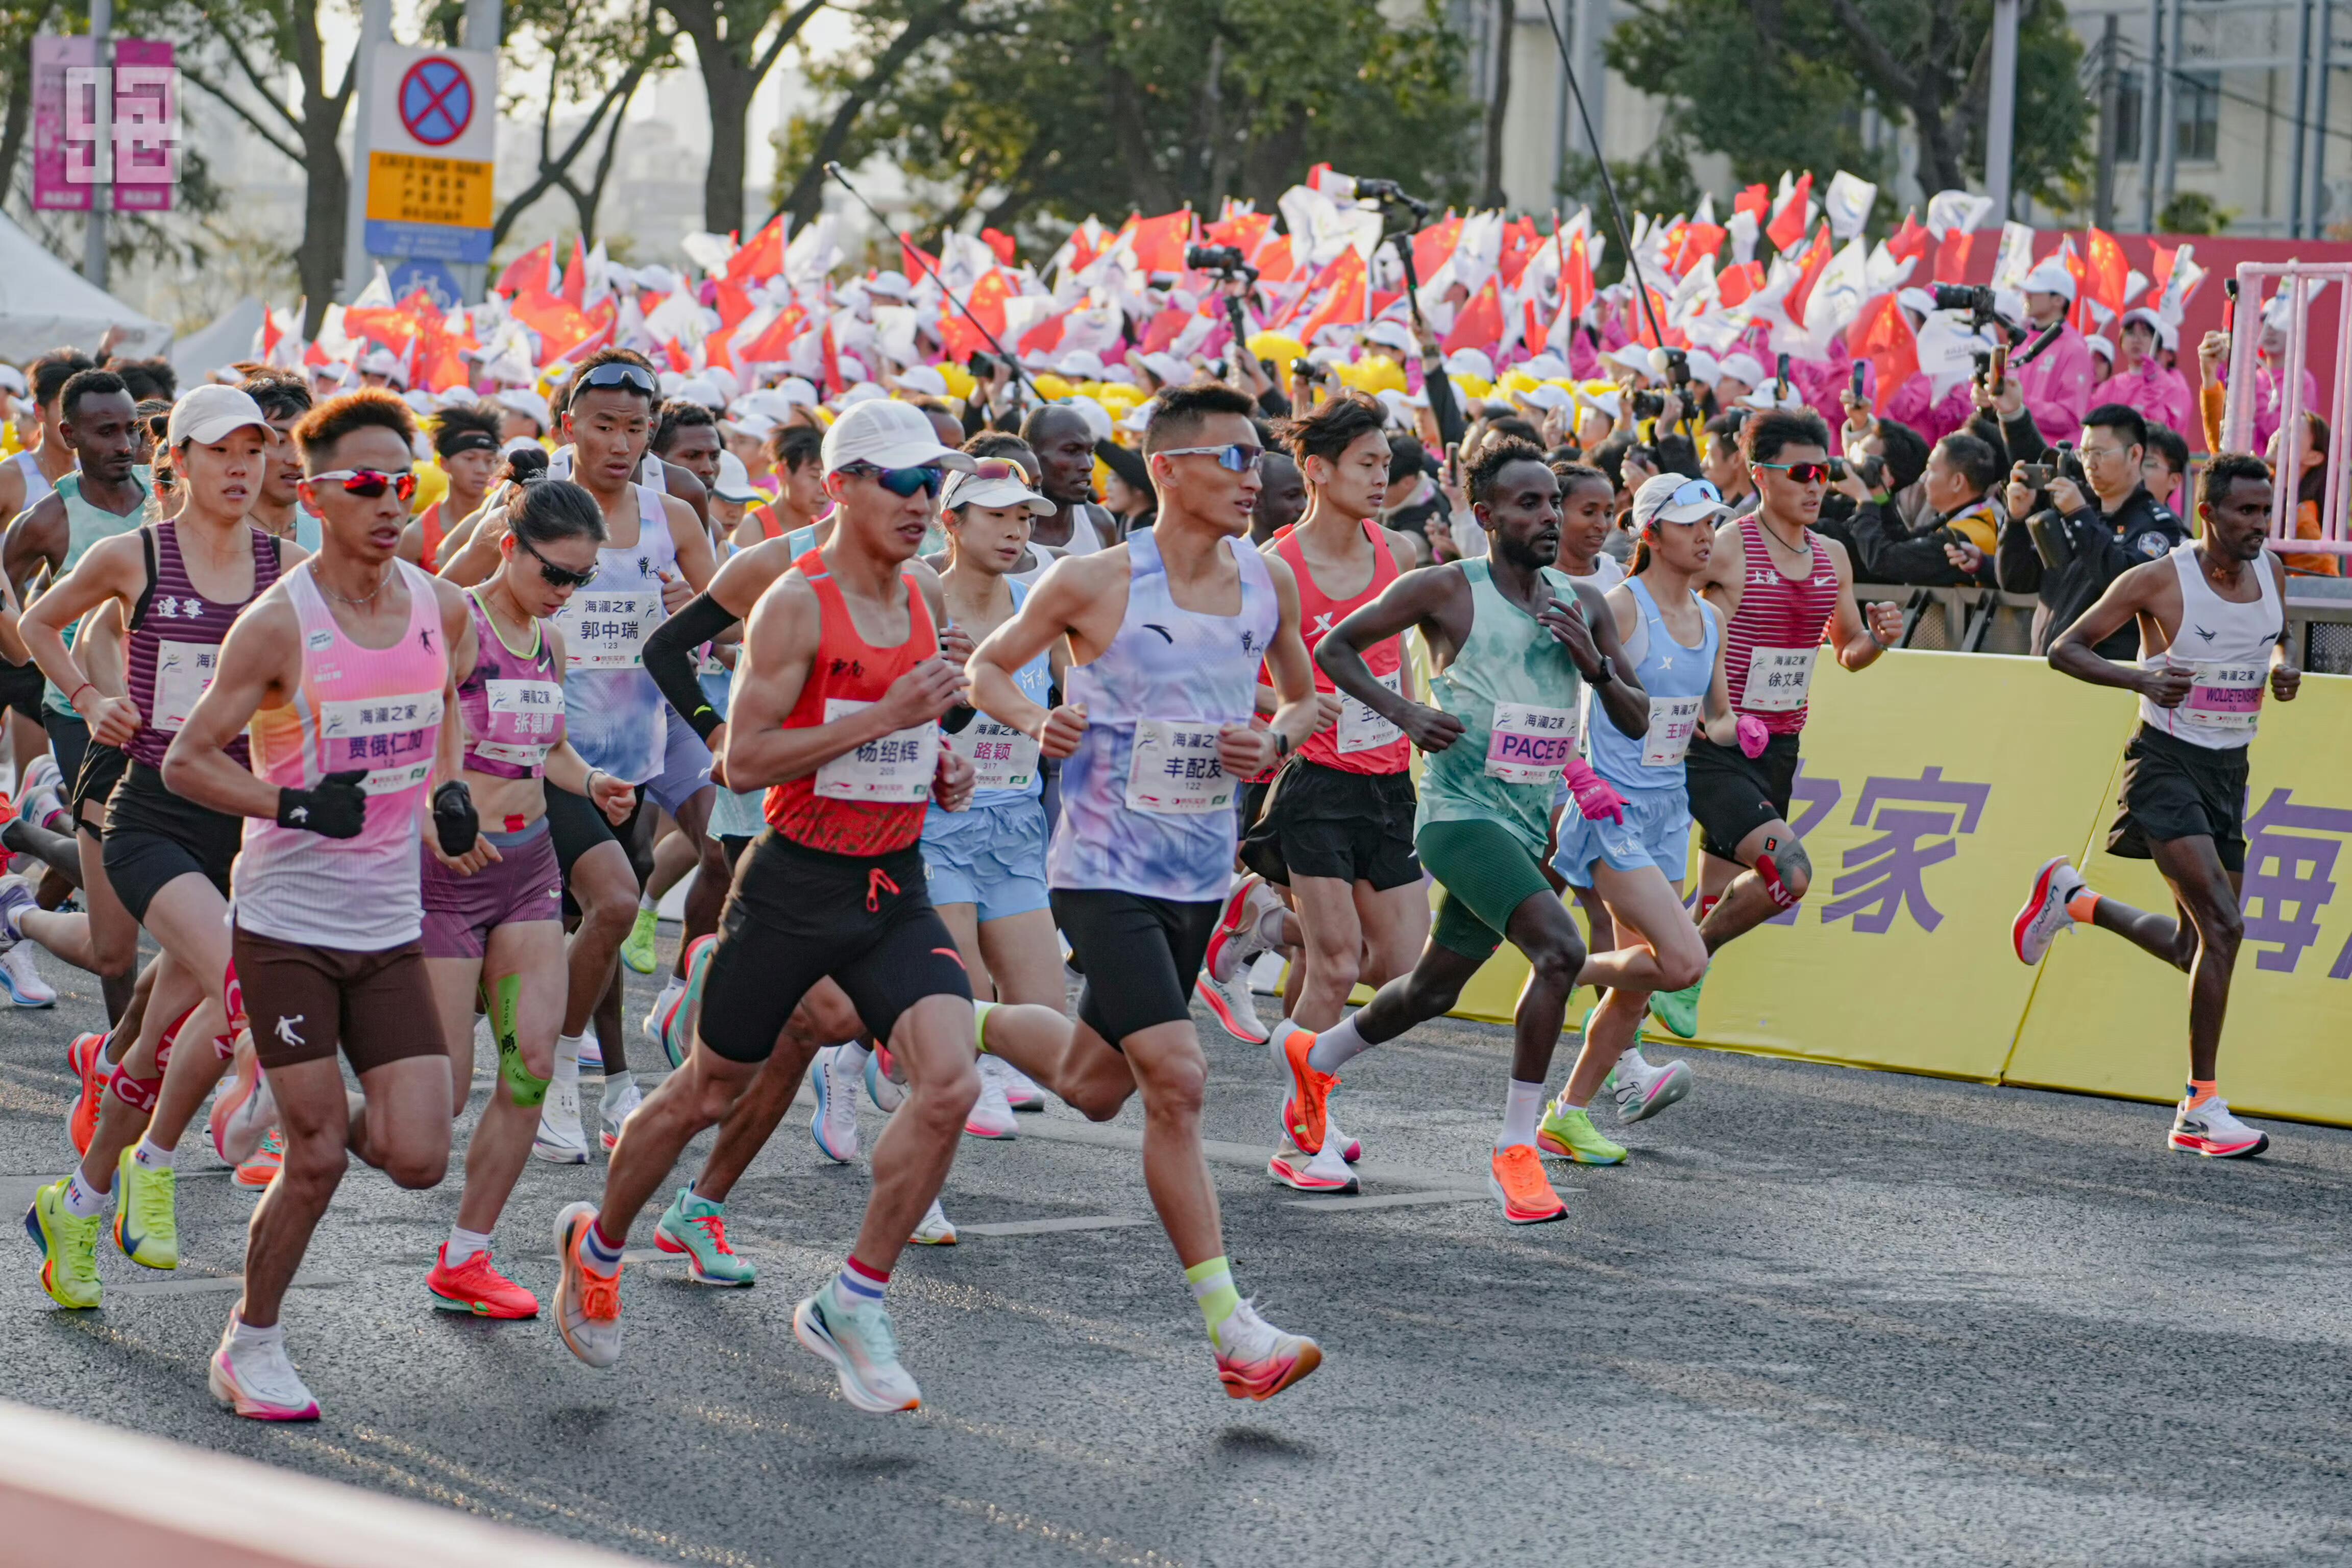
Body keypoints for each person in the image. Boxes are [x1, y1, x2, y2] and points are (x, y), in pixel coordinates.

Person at [547, 397, 1000, 1414]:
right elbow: (743, 758)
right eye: (905, 482)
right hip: (792, 886)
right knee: (708, 1091)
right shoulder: (796, 601)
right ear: (841, 487)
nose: (927, 501)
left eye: (936, 482)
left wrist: (946, 761)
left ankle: (853, 1298)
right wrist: (888, 717)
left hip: (894, 885)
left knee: (951, 1085)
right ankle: (602, 1244)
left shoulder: (924, 595)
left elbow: (911, 731)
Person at [967, 381, 1327, 1399]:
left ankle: (958, 1018)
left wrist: (1276, 741)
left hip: (1197, 872)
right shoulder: (1094, 581)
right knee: (1179, 1080)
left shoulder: (1266, 584)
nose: (1251, 477)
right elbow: (990, 671)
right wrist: (1036, 724)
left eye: (1257, 459)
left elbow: (1304, 699)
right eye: (1231, 458)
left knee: (1094, 1084)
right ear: (1167, 469)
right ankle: (1236, 1333)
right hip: (1098, 870)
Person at [140, 386, 468, 1418]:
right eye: (367, 485)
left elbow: (447, 699)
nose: (391, 503)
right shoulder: (278, 625)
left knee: (418, 1153)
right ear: (318, 496)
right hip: (286, 924)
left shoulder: (435, 603)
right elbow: (189, 763)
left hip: (388, 924)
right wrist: (292, 800)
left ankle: (274, 1096)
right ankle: (252, 1341)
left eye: (402, 484)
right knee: (320, 1154)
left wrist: (447, 791)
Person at [1304, 440, 1685, 1225]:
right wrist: (1406, 712)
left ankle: (1315, 1057)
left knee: (1433, 989)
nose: (1547, 518)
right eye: (1528, 505)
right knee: (1561, 949)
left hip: (1526, 823)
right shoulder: (1447, 587)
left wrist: (1595, 665)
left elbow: (1639, 717)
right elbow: (1333, 648)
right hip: (1456, 816)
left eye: (1554, 503)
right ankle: (1516, 1148)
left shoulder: (1582, 604)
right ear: (1485, 517)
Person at [19, 385, 297, 1307]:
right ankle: (160, 1163)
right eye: (220, 451)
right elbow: (36, 623)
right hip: (152, 815)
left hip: (244, 822)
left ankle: (78, 1198)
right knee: (239, 983)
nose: (239, 468)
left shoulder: (288, 567)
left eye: (254, 452)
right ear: (173, 458)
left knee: (169, 1040)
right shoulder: (131, 554)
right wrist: (92, 699)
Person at [446, 351, 718, 1159]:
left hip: (643, 742)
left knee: (706, 864)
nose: (621, 443)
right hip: (542, 750)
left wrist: (694, 609)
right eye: (604, 426)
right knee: (612, 905)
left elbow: (735, 617)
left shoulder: (674, 515)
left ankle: (610, 1038)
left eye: (637, 429)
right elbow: (440, 593)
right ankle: (563, 1066)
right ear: (570, 425)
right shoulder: (532, 502)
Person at [2012, 453, 2292, 1160]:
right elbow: (2065, 649)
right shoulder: (2160, 580)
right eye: (2245, 512)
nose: (2260, 524)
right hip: (2165, 765)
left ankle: (2074, 901)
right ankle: (2200, 1106)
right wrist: (2138, 677)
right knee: (2226, 929)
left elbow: (2273, 636)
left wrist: (2283, 667)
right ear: (2209, 513)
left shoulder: (2274, 570)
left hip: (2232, 771)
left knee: (2192, 946)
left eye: (2266, 511)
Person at [421, 476, 638, 1316]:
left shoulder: (548, 643)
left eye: (583, 579)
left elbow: (546, 750)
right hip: (445, 876)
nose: (567, 593)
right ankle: (290, 1104)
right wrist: (434, 814)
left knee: (529, 1068)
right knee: (435, 1102)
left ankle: (466, 1257)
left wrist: (595, 782)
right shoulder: (459, 625)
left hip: (527, 872)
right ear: (509, 546)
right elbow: (406, 735)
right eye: (557, 574)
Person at [1218, 395, 1429, 1190]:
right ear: (1318, 470)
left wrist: (1407, 719)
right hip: (1310, 779)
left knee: (1402, 970)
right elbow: (1232, 677)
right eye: (1369, 464)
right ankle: (1300, 1133)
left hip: (1387, 783)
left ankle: (1259, 924)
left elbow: (1398, 661)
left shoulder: (1395, 552)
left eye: (1386, 464)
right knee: (1338, 964)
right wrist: (1294, 706)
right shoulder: (1274, 566)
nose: (1385, 478)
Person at [1651, 409, 1907, 1036]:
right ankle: (1685, 968)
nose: (1817, 485)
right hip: (1711, 743)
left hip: (1780, 746)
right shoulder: (1727, 545)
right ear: (1760, 475)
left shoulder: (1834, 557)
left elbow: (1846, 651)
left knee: (1718, 897)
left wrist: (1877, 641)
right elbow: (1650, 601)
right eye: (1801, 473)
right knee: (1787, 874)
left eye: (1826, 471)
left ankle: (1644, 998)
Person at [1546, 474, 1766, 1145]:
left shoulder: (1712, 618)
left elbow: (1716, 718)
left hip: (1670, 811)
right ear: (1650, 533)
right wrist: (1578, 775)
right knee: (1681, 961)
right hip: (1608, 812)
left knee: (1640, 983)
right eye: (1691, 523)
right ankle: (1560, 964)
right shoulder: (1616, 605)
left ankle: (1569, 1115)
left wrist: (1749, 731)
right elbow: (1559, 706)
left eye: (1713, 523)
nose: (1707, 536)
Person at [915, 459, 1064, 1137]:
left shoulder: (1043, 603)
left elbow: (1084, 695)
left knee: (1049, 1028)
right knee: (959, 1012)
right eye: (997, 516)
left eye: (1025, 517)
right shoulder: (919, 599)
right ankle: (874, 1047)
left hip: (1016, 825)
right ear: (951, 522)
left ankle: (871, 1043)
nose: (1015, 531)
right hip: (935, 820)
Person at [0, 367, 149, 1013]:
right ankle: (123, 1064)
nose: (124, 444)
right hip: (77, 709)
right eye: (106, 431)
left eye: (131, 430)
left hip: (162, 707)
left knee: (118, 853)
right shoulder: (49, 519)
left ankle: (26, 867)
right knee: (122, 854)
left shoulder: (165, 499)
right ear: (69, 435)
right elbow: (8, 581)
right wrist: (23, 643)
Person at [1998, 402, 2187, 661]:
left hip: (2106, 675)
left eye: (2100, 453)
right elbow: (2016, 580)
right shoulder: (2077, 511)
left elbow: (2125, 590)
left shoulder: (2157, 525)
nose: (2090, 464)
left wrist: (2079, 516)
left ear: (2135, 455)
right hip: (2048, 669)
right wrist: (2017, 519)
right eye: (2084, 453)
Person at [1846, 430, 2005, 587]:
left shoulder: (1958, 541)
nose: (1923, 479)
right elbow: (1902, 541)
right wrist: (1880, 497)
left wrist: (1864, 501)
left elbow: (1884, 560)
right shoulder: (1973, 520)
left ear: (1957, 482)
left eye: (1931, 470)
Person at [400, 403, 502, 572]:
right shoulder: (416, 536)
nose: (482, 470)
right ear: (444, 464)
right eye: (470, 459)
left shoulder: (507, 519)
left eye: (490, 461)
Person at [2013, 258, 2096, 446]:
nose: (2027, 295)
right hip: (2014, 449)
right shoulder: (2021, 342)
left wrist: (2018, 405)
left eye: (2035, 291)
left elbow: (2071, 415)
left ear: (2059, 300)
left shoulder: (2074, 348)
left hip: (2048, 458)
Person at [1018, 405, 1117, 554]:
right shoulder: (1005, 530)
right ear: (1032, 454)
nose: (1088, 465)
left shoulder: (1101, 523)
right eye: (1072, 451)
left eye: (1090, 452)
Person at [2100, 310, 2193, 440]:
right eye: (2131, 333)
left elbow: (2167, 434)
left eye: (2145, 334)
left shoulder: (2169, 385)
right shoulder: (2113, 384)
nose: (2136, 340)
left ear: (2157, 344)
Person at [739, 426, 825, 548]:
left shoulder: (823, 532)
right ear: (782, 472)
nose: (824, 490)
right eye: (814, 476)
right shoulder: (753, 528)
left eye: (828, 478)